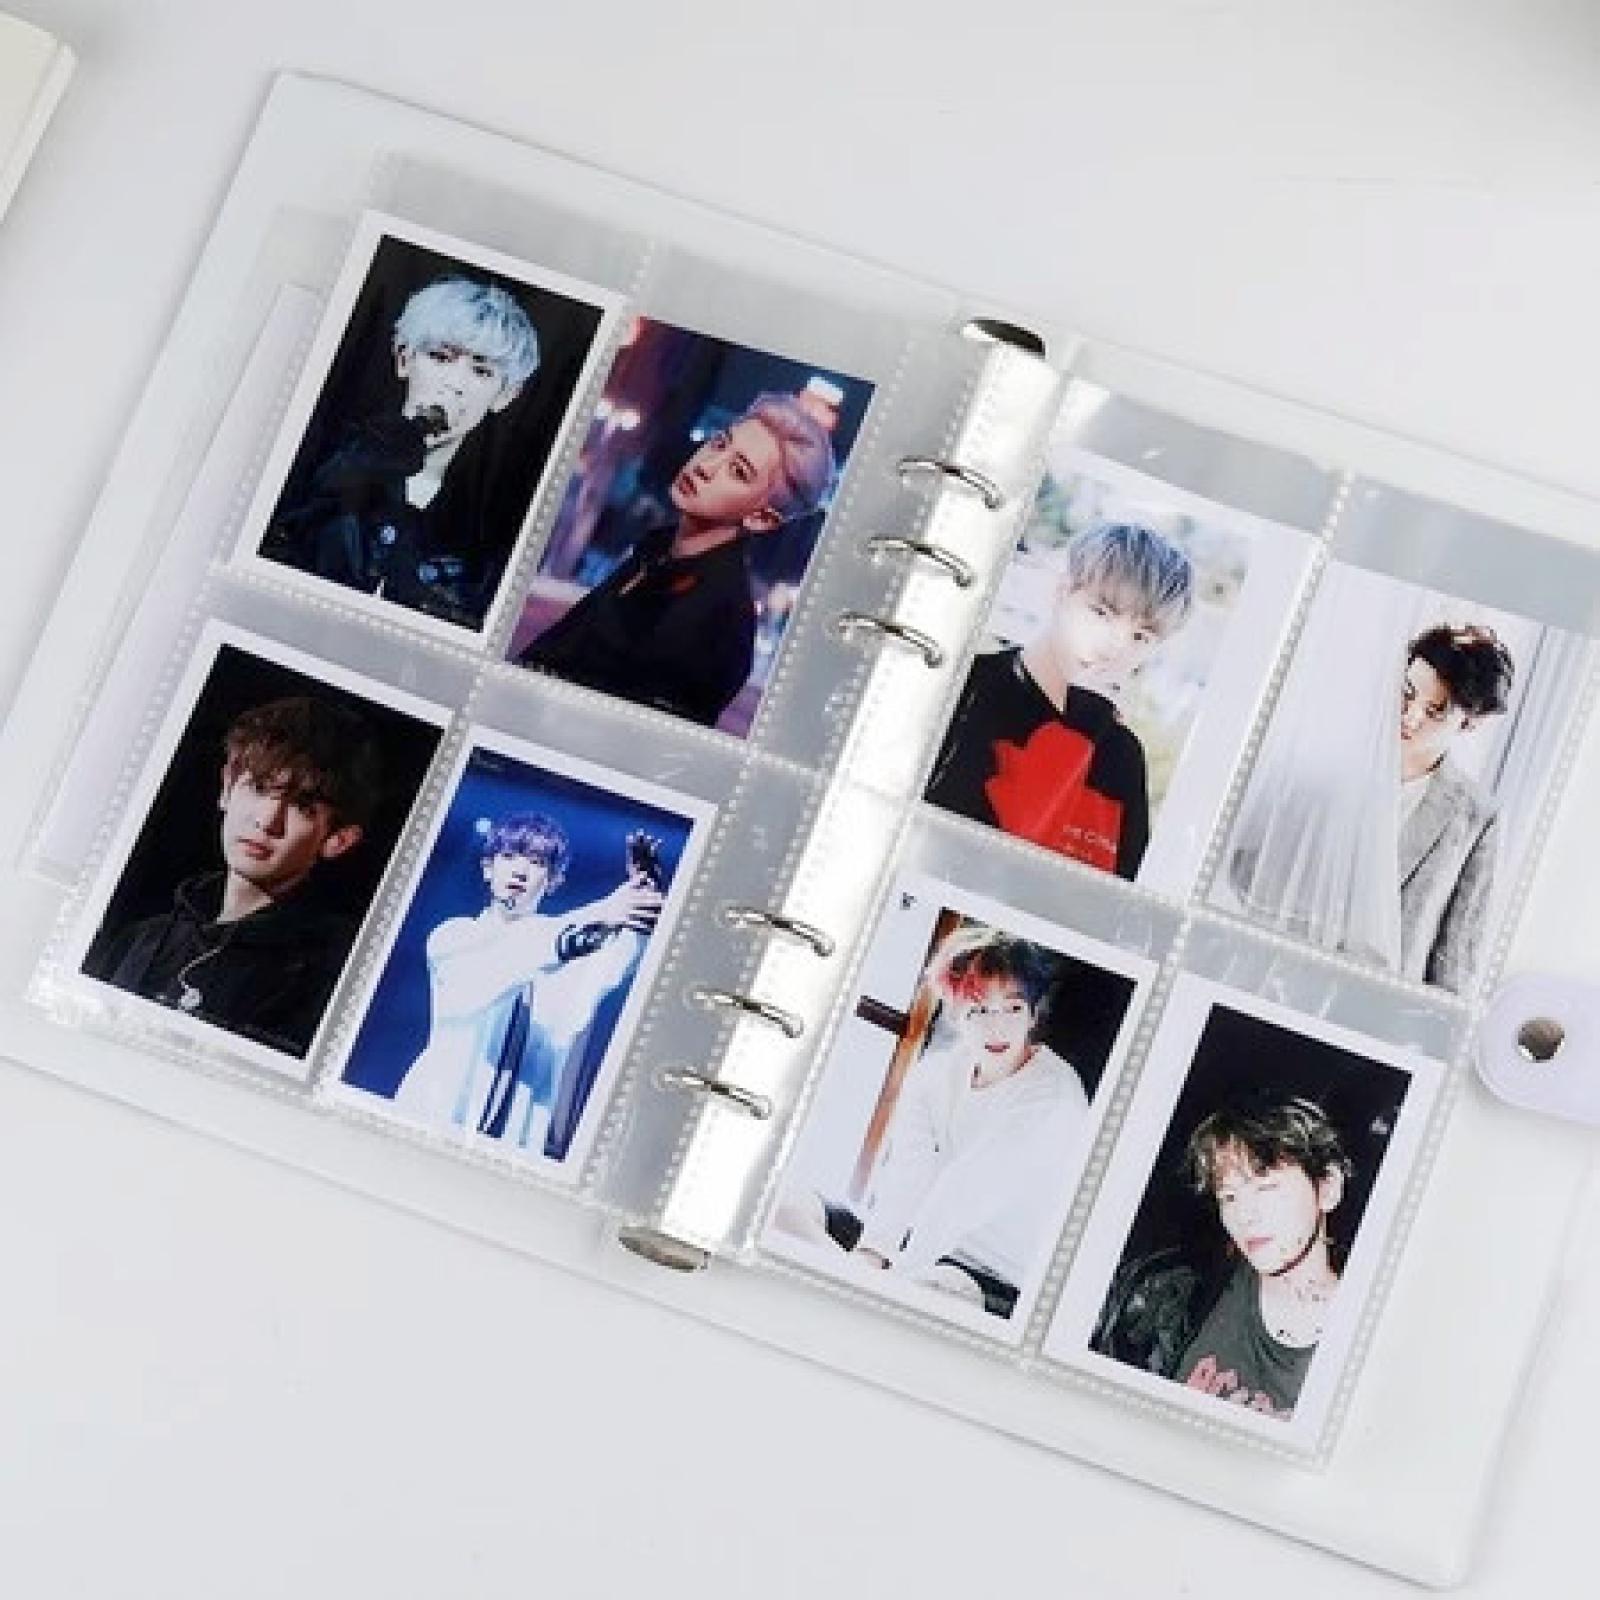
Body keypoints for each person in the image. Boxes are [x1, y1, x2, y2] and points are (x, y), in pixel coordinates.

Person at [779, 924, 1090, 1319]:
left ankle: (853, 1295)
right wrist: (871, 1255)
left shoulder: (1054, 1095)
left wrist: (891, 1278)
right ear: (955, 1014)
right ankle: (853, 1290)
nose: (997, 1027)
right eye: (979, 1010)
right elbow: (911, 1170)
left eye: (1012, 1008)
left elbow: (965, 1194)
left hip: (991, 1273)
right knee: (786, 1208)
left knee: (937, 1288)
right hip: (912, 1246)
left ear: (1032, 1015)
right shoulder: (937, 1073)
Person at [83, 696, 384, 1056]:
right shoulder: (139, 939)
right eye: (259, 787)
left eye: (302, 807)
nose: (267, 821)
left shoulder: (329, 977)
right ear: (227, 786)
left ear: (338, 840)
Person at [516, 393, 836, 727]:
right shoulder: (657, 552)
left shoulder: (719, 620)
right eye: (719, 444)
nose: (706, 467)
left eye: (738, 471)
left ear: (761, 518)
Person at [262, 275, 542, 627]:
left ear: (505, 395)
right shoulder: (319, 460)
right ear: (404, 358)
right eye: (440, 358)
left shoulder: (494, 525)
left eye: (481, 371)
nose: (454, 384)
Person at [925, 521, 1195, 879]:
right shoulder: (967, 687)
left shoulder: (1121, 757)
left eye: (1140, 637)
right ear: (1062, 593)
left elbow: (1115, 898)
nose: (1115, 647)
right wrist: (1081, 726)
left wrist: (1089, 718)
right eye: (1101, 613)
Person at [392, 812, 664, 1157]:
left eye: (536, 863)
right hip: (428, 1121)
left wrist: (641, 910)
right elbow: (508, 961)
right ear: (488, 869)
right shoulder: (454, 937)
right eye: (508, 857)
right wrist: (601, 911)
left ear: (552, 881)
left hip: (514, 1141)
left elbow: (617, 962)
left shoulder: (570, 952)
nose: (520, 871)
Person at [1093, 1093, 1351, 1420]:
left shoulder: (1363, 1347)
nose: (1244, 1215)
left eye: (1265, 1187)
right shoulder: (1170, 1293)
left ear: (1328, 1188)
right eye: (1229, 1196)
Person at [1396, 624, 1513, 992]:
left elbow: (1458, 955)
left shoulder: (1477, 816)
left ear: (1469, 723)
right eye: (1407, 694)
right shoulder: (1342, 769)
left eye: (1434, 711)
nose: (1410, 716)